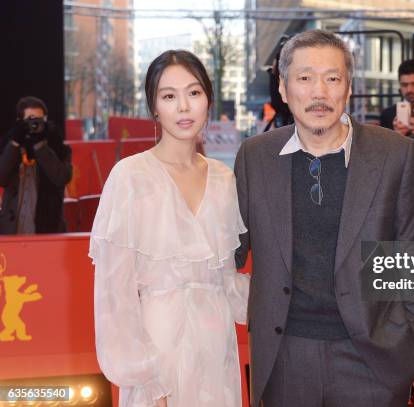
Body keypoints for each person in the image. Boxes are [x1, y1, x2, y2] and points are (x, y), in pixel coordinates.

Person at [234, 30, 414, 407]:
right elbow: (226, 251)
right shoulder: (255, 157)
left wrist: (406, 339)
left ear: (348, 87)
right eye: (305, 78)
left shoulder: (396, 154)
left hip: (372, 360)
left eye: (332, 78)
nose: (319, 92)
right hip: (285, 360)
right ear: (283, 86)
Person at [89, 50, 248, 407]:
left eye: (194, 93)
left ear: (208, 99)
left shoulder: (224, 179)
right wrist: (146, 380)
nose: (183, 107)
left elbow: (227, 280)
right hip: (158, 348)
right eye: (169, 96)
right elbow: (114, 294)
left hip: (216, 347)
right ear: (154, 108)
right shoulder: (130, 176)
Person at [0, 96, 72, 234]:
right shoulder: (9, 148)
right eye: (30, 120)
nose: (34, 124)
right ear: (19, 122)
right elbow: (1, 177)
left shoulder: (59, 149)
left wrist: (40, 146)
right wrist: (15, 143)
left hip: (47, 230)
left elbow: (61, 177)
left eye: (39, 120)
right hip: (12, 231)